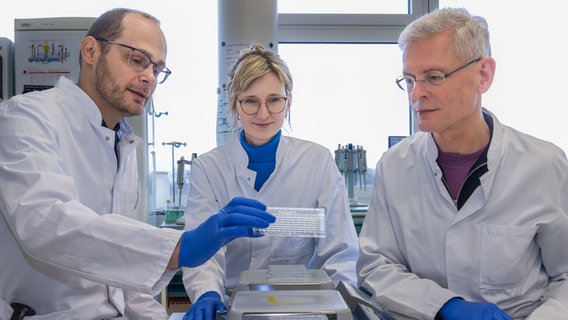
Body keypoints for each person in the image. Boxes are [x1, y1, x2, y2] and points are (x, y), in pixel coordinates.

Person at [0, 8, 275, 320]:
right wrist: (180, 247)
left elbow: (124, 290)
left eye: (157, 70)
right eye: (137, 60)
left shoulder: (123, 145)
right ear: (91, 51)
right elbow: (45, 223)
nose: (149, 77)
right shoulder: (28, 118)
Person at [356, 7, 568, 320]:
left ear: (483, 74)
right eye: (410, 79)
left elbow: (565, 275)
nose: (417, 94)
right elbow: (376, 267)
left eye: (434, 77)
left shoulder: (543, 164)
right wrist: (444, 306)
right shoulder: (395, 166)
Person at [181, 44, 359, 320]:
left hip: (305, 306)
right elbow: (203, 249)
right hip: (233, 305)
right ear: (234, 103)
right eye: (250, 101)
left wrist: (341, 305)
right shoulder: (209, 168)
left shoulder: (317, 161)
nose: (263, 114)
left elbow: (340, 251)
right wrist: (207, 292)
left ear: (289, 102)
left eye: (274, 100)